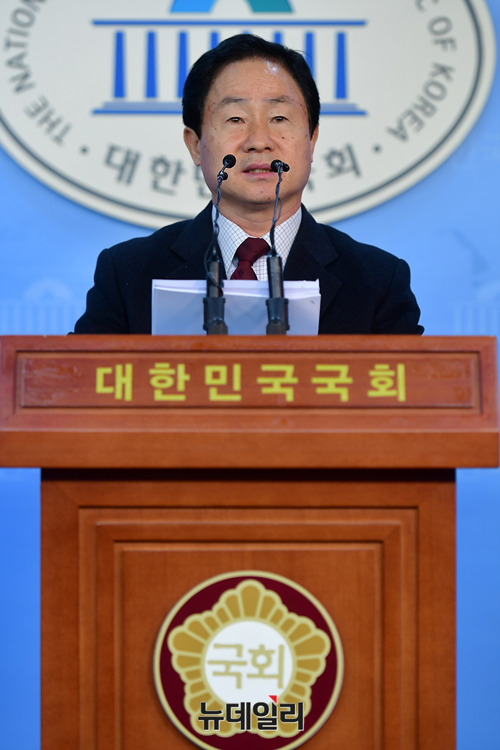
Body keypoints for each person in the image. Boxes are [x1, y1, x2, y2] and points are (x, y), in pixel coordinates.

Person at [74, 34, 423, 335]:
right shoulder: (128, 273)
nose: (258, 141)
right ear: (195, 145)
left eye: (279, 118)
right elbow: (76, 382)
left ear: (312, 140)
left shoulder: (377, 281)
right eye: (235, 118)